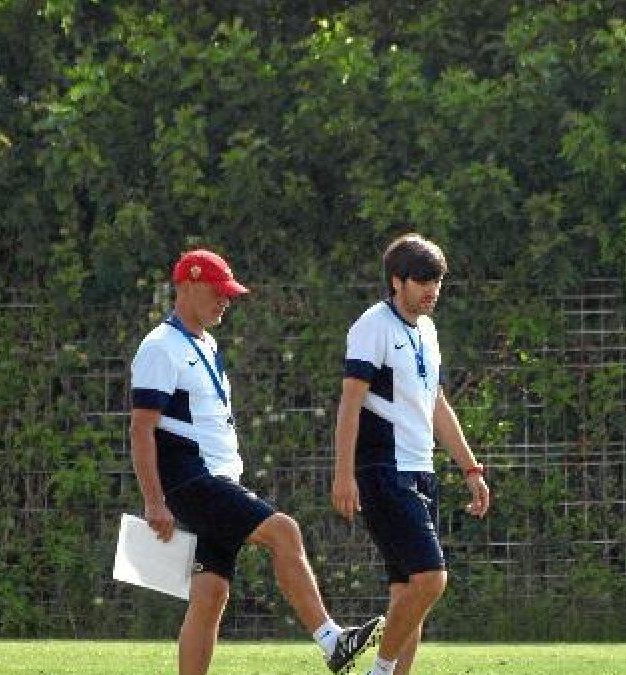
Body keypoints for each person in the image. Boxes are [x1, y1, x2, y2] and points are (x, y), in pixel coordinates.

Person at [130, 248, 384, 675]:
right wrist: (154, 502)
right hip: (191, 477)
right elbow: (141, 430)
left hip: (215, 475)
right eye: (218, 292)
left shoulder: (206, 344)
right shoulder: (160, 347)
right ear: (188, 286)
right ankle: (331, 641)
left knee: (210, 594)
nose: (225, 301)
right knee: (284, 531)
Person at [331, 234, 491, 675]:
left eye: (436, 281)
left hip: (421, 471)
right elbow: (349, 404)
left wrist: (471, 468)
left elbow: (436, 403)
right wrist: (344, 474)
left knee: (408, 593)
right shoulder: (372, 326)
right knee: (430, 580)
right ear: (396, 281)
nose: (431, 290)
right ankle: (377, 672)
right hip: (383, 470)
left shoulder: (427, 330)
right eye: (422, 280)